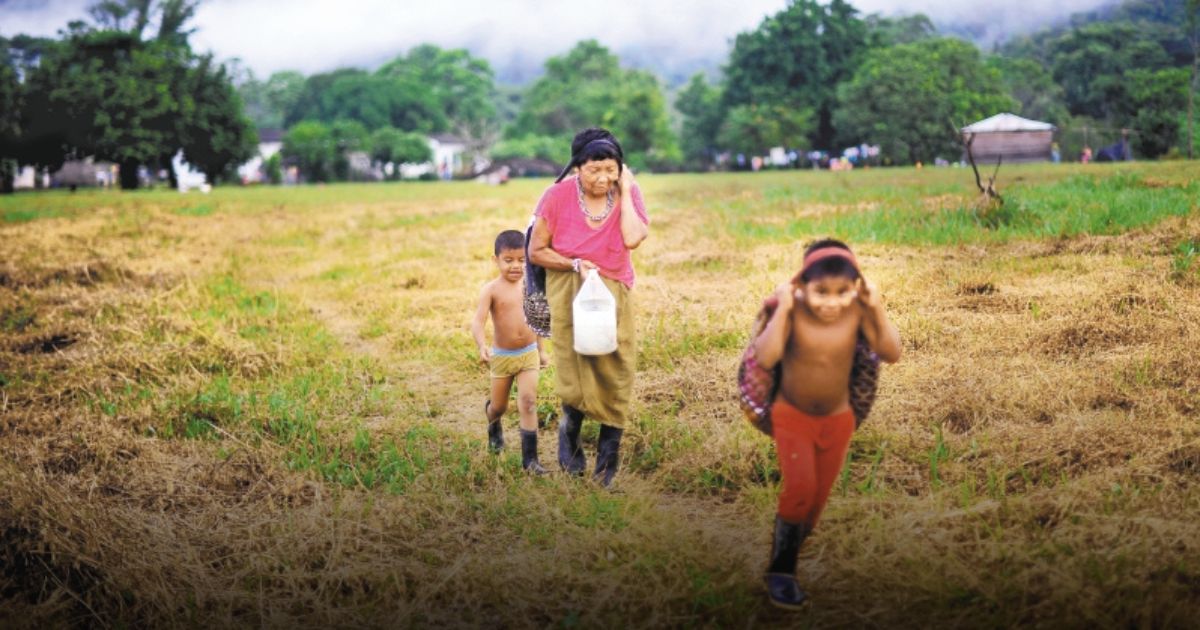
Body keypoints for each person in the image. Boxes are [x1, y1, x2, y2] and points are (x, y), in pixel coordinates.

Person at [751, 239, 902, 609]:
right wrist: (784, 307)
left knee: (816, 503)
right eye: (821, 292)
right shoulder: (791, 312)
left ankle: (785, 552)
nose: (832, 302)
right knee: (800, 488)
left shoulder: (859, 313)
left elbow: (892, 352)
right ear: (801, 286)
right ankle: (781, 572)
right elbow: (765, 356)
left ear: (857, 287)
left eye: (842, 291)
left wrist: (876, 306)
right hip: (792, 416)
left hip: (838, 421)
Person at [528, 128, 649, 487]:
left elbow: (631, 238)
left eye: (611, 169)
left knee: (617, 364)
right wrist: (575, 264)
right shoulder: (556, 196)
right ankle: (570, 442)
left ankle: (607, 468)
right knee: (575, 362)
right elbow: (536, 251)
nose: (602, 178)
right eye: (594, 170)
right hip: (568, 284)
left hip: (613, 288)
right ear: (577, 168)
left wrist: (625, 190)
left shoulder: (627, 191)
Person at [471, 229, 550, 474]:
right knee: (500, 406)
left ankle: (530, 461)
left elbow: (537, 319)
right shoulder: (491, 290)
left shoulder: (530, 285)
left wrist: (542, 350)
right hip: (503, 357)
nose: (515, 266)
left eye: (521, 260)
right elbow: (478, 321)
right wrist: (482, 345)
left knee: (528, 402)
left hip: (528, 354)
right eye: (508, 260)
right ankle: (493, 422)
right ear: (495, 260)